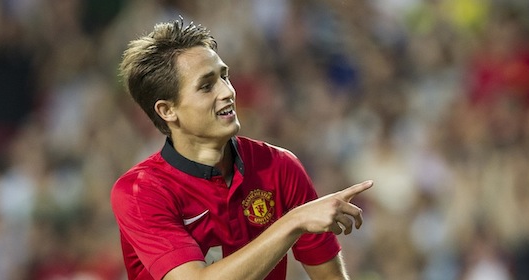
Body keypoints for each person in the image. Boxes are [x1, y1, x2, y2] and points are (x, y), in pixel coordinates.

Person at [111, 17, 373, 280]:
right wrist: (293, 222)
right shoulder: (140, 191)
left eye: (224, 76)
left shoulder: (279, 167)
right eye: (206, 86)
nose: (227, 92)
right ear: (167, 110)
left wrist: (295, 220)